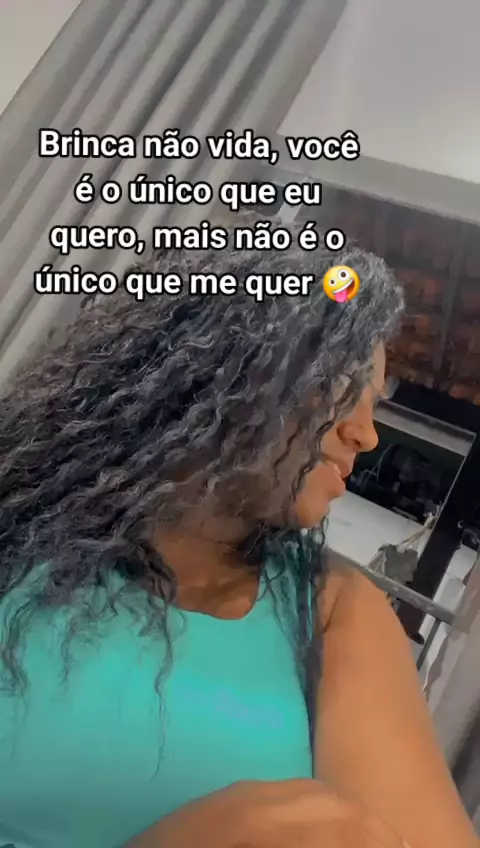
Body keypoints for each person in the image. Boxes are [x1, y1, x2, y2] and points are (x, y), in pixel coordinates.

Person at [0, 220, 477, 848]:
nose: (366, 435)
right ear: (233, 370)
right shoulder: (19, 528)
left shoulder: (330, 609)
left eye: (376, 405)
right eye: (345, 389)